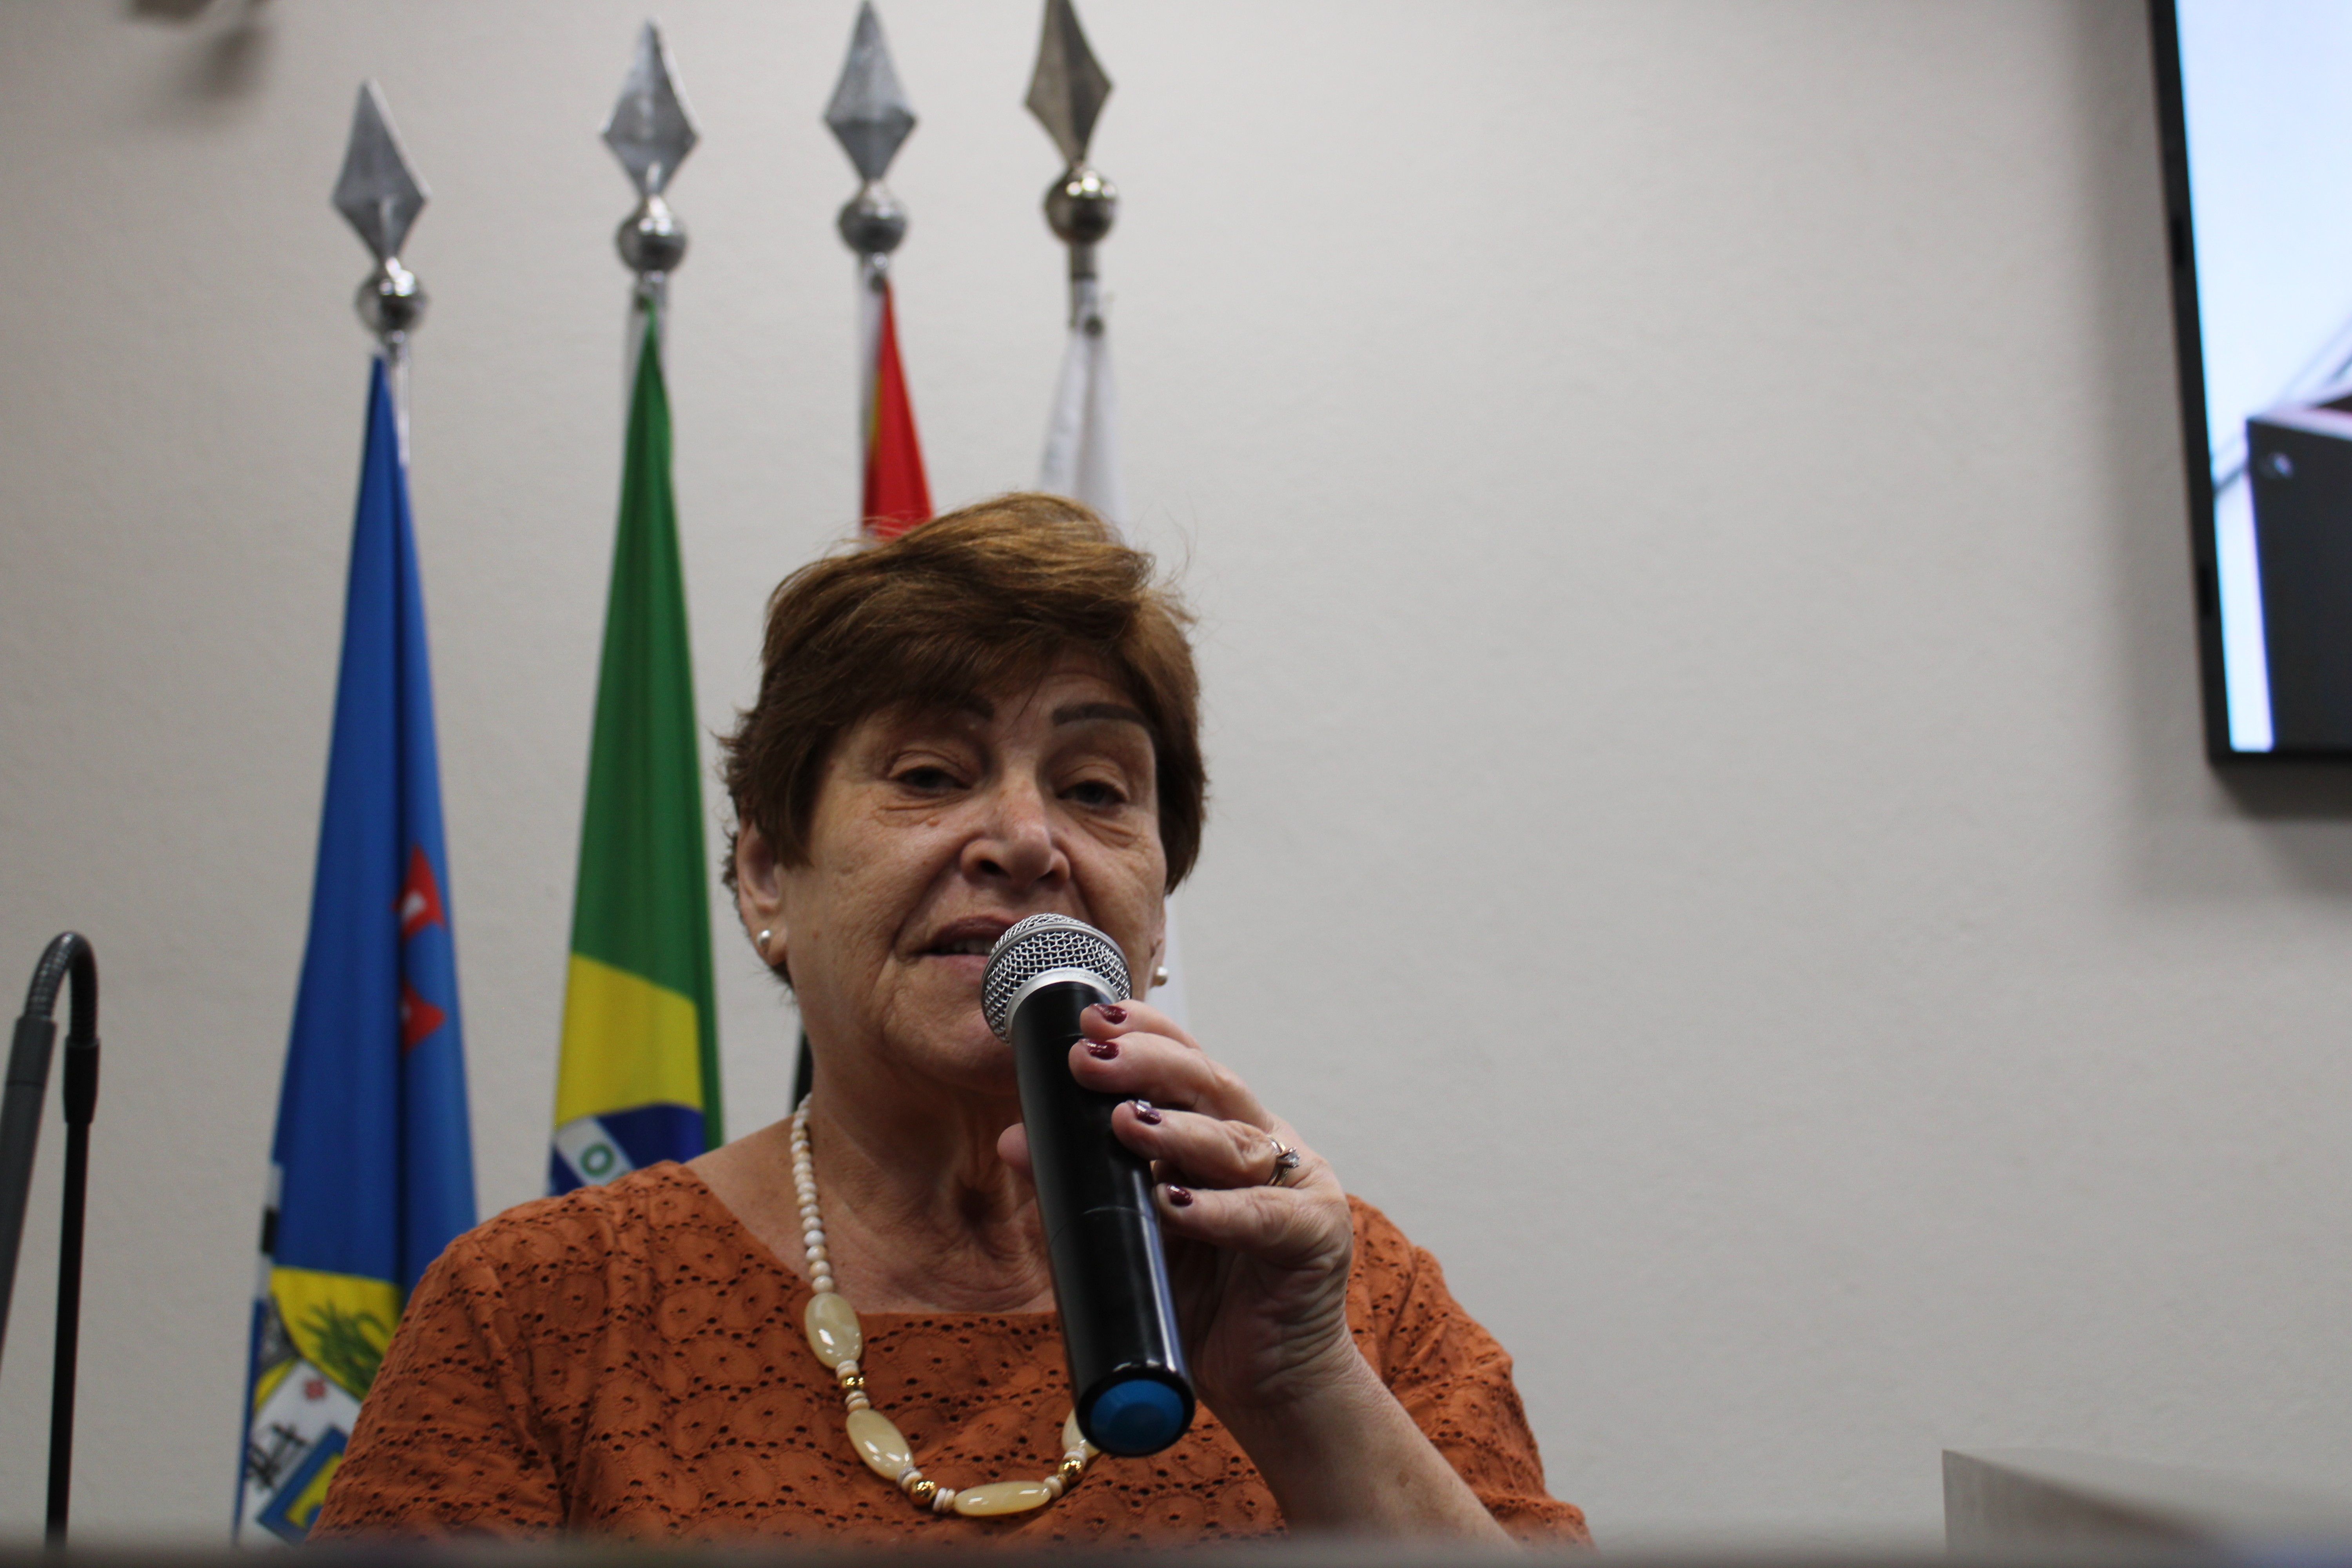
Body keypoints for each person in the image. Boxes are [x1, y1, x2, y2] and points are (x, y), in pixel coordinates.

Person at [314, 496, 1588, 1545]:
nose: (1027, 840)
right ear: (767, 876)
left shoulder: (1347, 1300)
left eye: (1097, 790)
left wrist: (1306, 1391)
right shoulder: (540, 1309)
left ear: (1155, 918)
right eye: (930, 774)